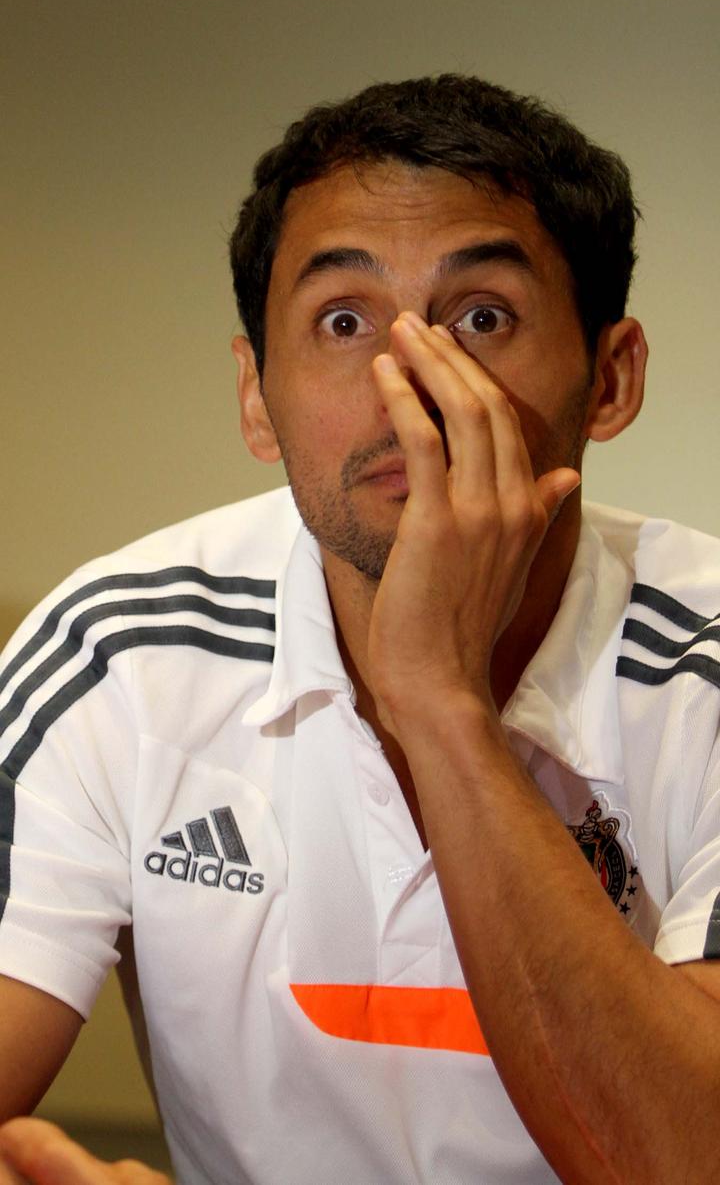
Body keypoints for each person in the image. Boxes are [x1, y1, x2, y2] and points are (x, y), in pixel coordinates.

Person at [1, 74, 719, 1185]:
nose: (410, 390)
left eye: (481, 318)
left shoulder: (704, 663)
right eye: (344, 322)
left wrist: (440, 699)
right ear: (256, 395)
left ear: (611, 378)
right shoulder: (117, 651)